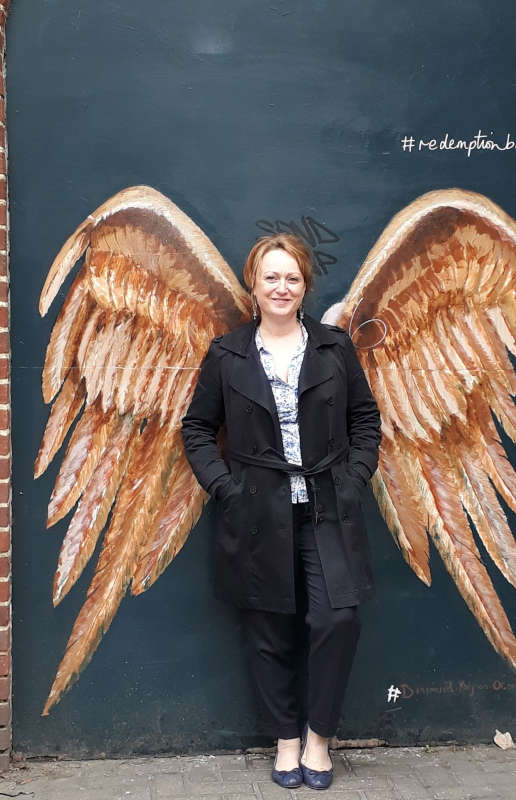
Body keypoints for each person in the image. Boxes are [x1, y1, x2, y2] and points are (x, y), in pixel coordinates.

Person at [181, 233, 381, 790]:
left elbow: (366, 419)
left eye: (292, 277)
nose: (281, 287)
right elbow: (197, 429)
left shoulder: (335, 348)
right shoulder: (227, 354)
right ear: (253, 284)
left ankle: (319, 739)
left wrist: (353, 477)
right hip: (255, 509)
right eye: (271, 276)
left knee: (338, 619)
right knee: (267, 628)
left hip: (328, 505)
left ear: (304, 286)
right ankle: (286, 741)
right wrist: (226, 487)